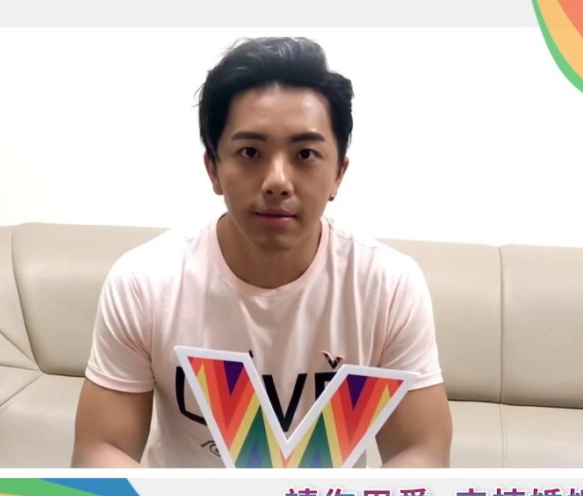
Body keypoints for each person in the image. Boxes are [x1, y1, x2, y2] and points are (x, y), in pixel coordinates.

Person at [71, 36, 453, 468]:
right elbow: (101, 449)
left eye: (305, 154)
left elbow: (421, 450)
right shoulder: (145, 282)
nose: (277, 181)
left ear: (338, 174)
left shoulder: (389, 285)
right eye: (250, 152)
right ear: (213, 169)